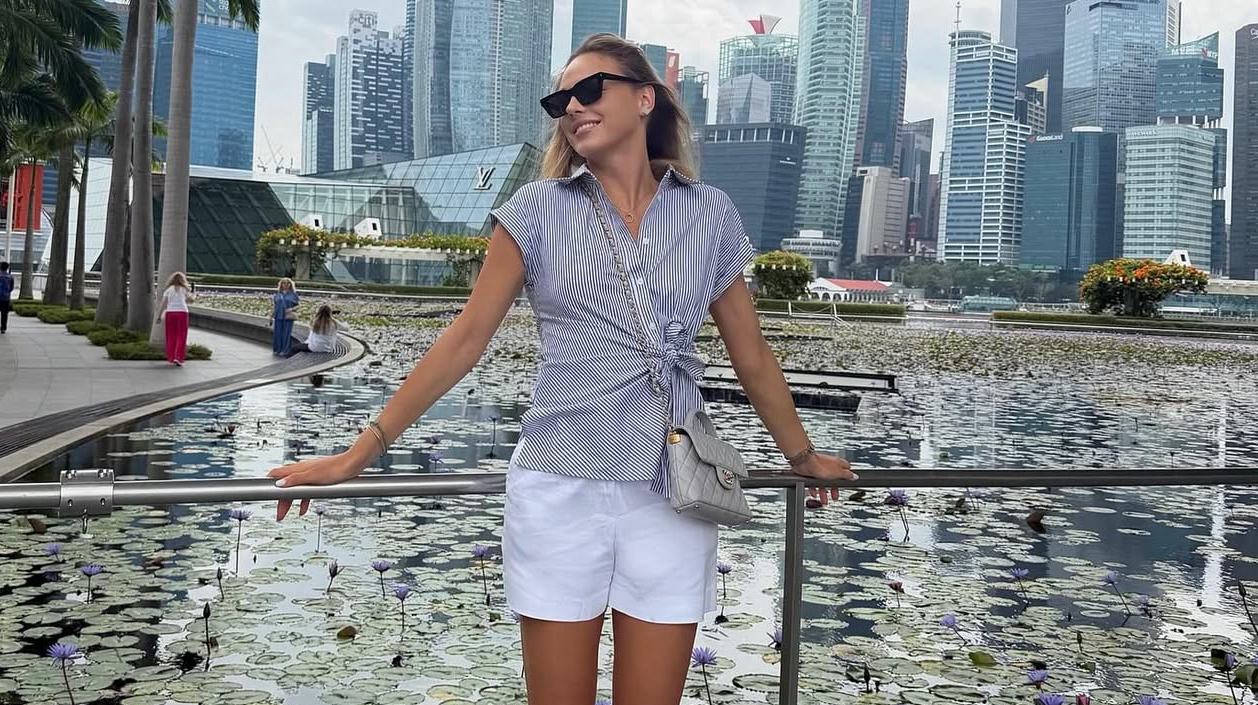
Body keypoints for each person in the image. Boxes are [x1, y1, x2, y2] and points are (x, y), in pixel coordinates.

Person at [266, 34, 855, 705]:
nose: (571, 107)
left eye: (589, 89)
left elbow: (751, 353)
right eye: (560, 100)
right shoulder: (535, 210)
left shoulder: (708, 212)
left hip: (675, 489)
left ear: (645, 99)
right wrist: (360, 452)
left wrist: (801, 454)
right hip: (559, 487)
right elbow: (466, 340)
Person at [155, 272, 194, 365]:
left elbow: (163, 303)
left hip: (170, 313)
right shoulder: (184, 289)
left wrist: (159, 316)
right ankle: (178, 357)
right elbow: (191, 300)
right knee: (181, 335)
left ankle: (171, 357)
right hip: (182, 313)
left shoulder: (168, 290)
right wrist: (193, 294)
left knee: (171, 335)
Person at [284, 304, 348, 357]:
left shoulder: (315, 321)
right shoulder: (334, 322)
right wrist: (340, 319)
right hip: (328, 348)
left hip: (314, 347)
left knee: (293, 348)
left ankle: (288, 361)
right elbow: (346, 328)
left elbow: (311, 336)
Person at [271, 278, 299, 355]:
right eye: (284, 283)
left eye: (288, 283)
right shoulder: (278, 294)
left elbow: (298, 305)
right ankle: (277, 349)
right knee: (277, 333)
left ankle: (285, 350)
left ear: (290, 284)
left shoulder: (293, 294)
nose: (286, 285)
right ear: (281, 284)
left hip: (288, 316)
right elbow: (275, 305)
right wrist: (271, 315)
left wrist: (291, 309)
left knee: (286, 334)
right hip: (278, 315)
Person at [0, 262, 12, 335]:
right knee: (4, 314)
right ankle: (3, 328)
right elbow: (11, 288)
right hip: (6, 298)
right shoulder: (10, 277)